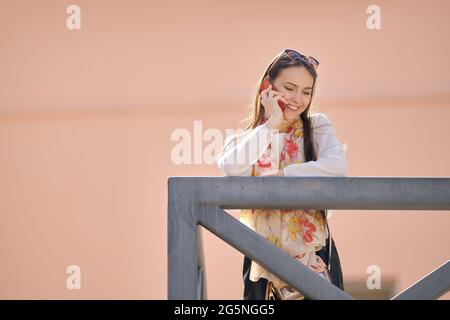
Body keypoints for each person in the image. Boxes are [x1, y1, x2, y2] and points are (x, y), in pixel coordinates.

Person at [216, 48, 348, 300]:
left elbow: (336, 166)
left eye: (306, 92)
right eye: (289, 88)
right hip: (262, 262)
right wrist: (272, 124)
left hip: (315, 255)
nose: (298, 99)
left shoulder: (317, 126)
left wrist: (284, 176)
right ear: (268, 86)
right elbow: (231, 168)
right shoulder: (245, 140)